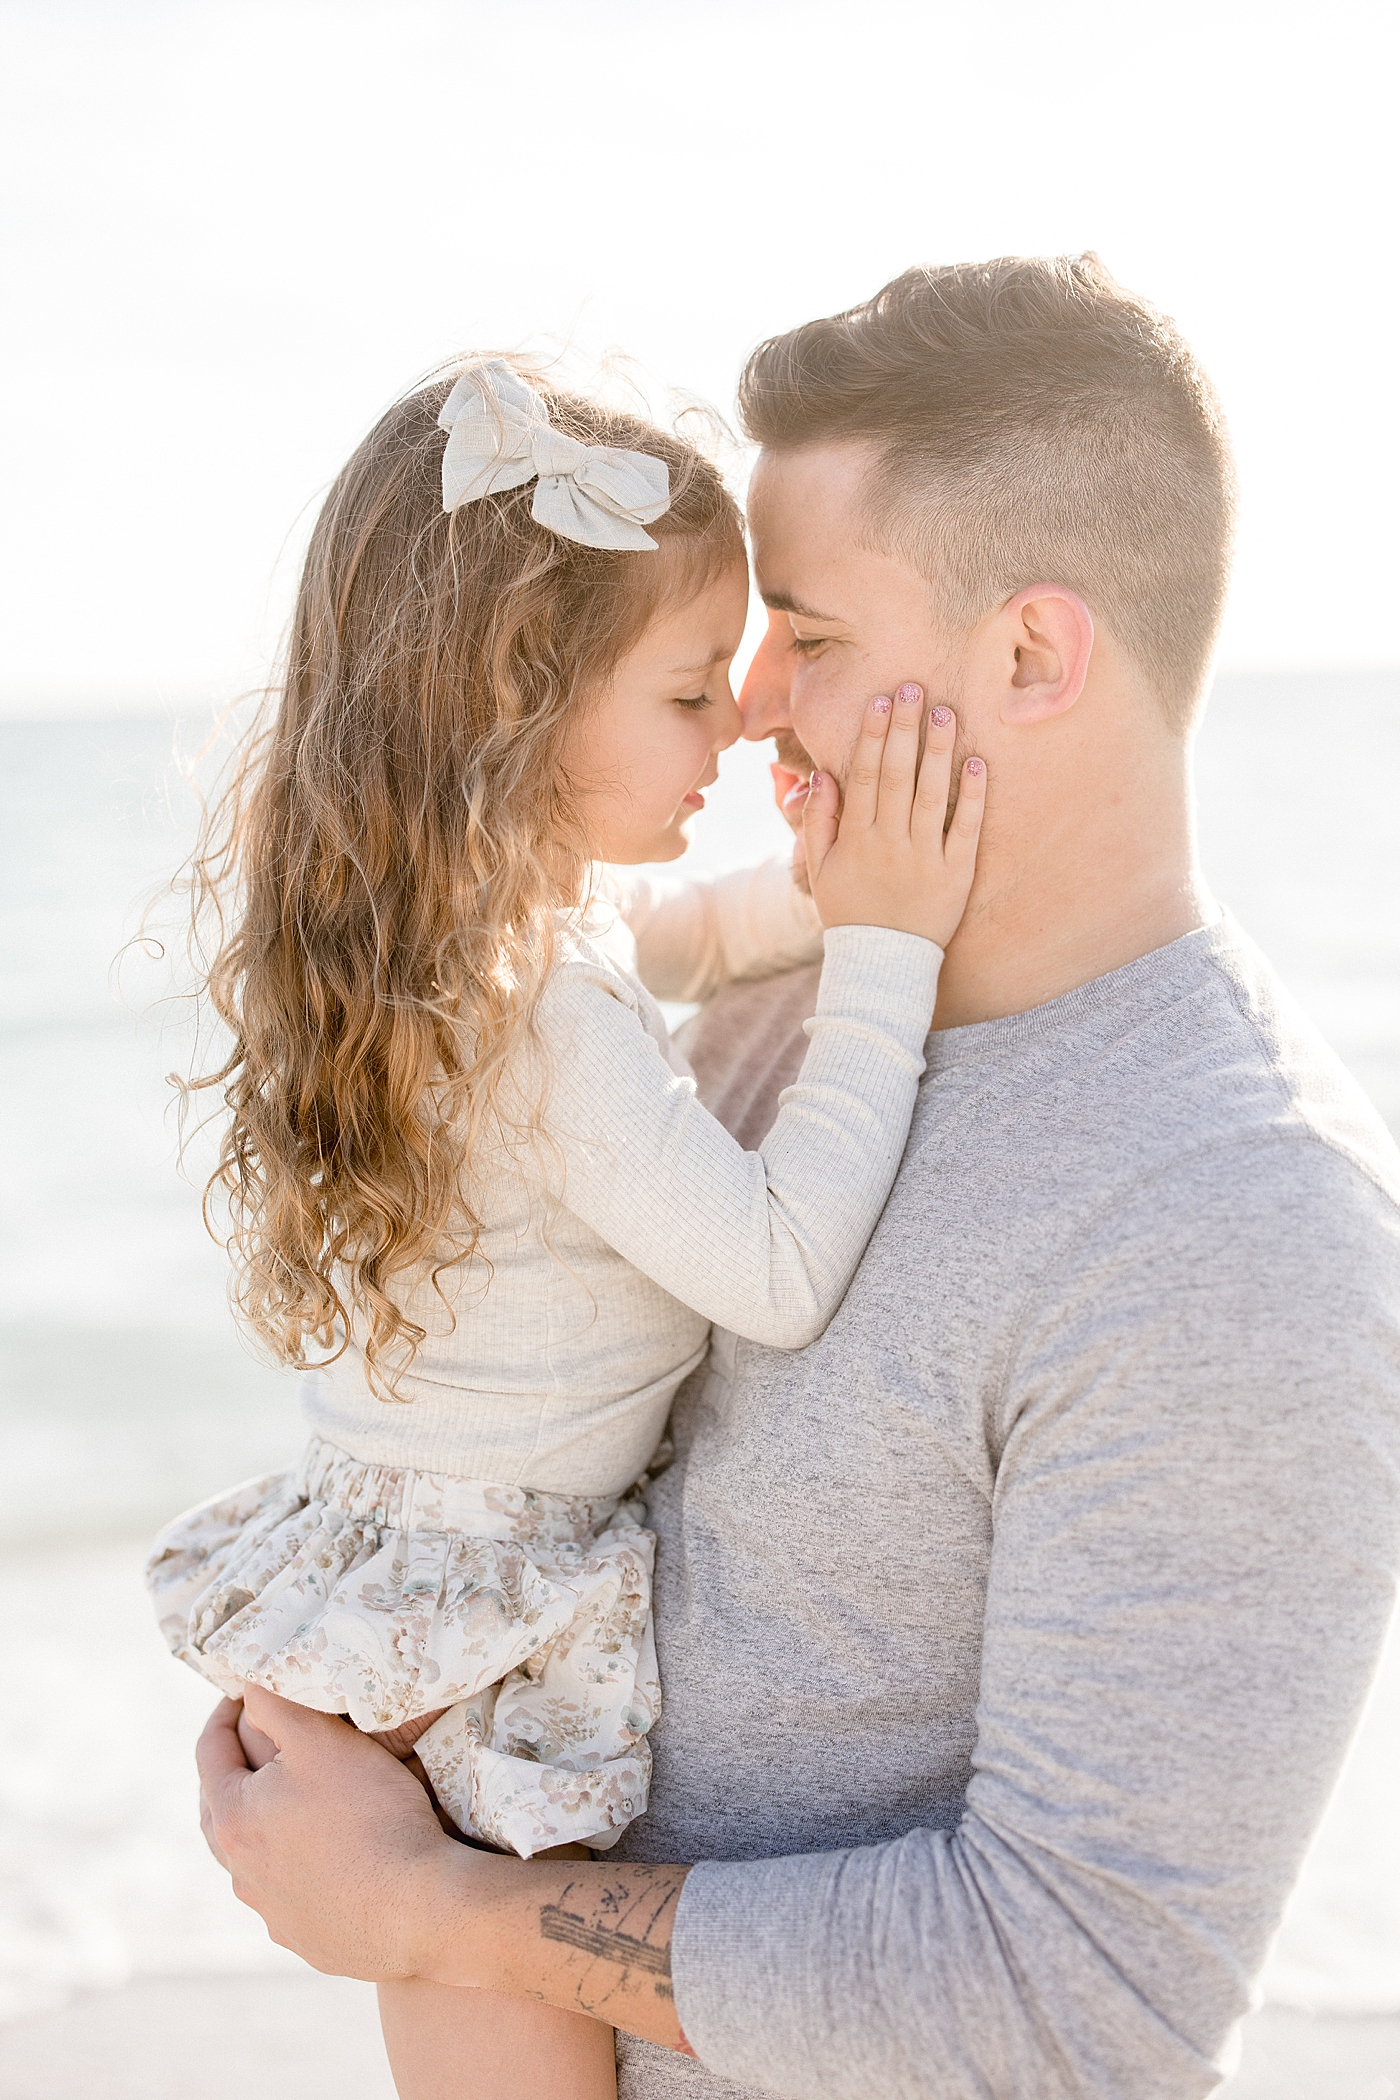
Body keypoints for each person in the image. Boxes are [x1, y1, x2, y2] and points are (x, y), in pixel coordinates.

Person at [195, 257, 1400, 2100]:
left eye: (811, 639)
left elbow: (1075, 2010)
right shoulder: (779, 1019)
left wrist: (435, 1915)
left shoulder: (1234, 1232)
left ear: (1030, 657)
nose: (751, 706)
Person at [148, 353, 988, 2100]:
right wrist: (890, 953)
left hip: (413, 1569)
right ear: (530, 705)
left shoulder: (474, 936)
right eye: (690, 691)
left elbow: (653, 946)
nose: (746, 722)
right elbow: (777, 1266)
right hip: (477, 1621)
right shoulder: (536, 1013)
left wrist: (818, 894)